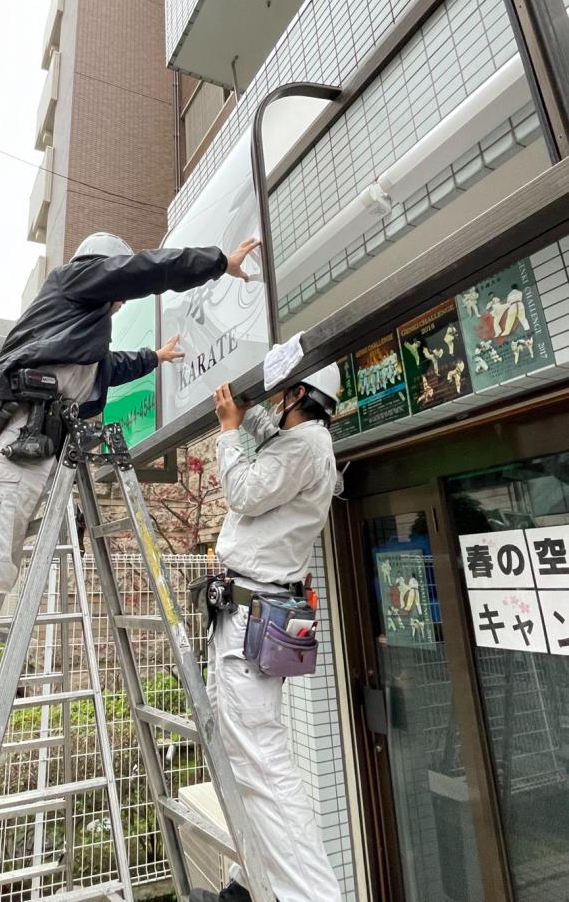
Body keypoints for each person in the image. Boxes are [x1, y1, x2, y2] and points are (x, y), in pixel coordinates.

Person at [0, 231, 260, 781]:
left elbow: (108, 367)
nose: (119, 301)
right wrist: (218, 262)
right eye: (116, 285)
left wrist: (155, 356)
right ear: (101, 268)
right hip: (7, 456)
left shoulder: (73, 338)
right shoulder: (73, 283)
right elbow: (142, 271)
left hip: (15, 461)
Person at [191, 365, 343, 902]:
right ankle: (250, 883)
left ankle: (311, 895)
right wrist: (245, 413)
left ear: (299, 394)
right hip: (249, 613)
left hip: (252, 614)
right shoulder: (301, 443)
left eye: (282, 392)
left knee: (261, 758)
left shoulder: (304, 447)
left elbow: (243, 492)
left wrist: (228, 432)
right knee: (242, 754)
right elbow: (266, 441)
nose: (275, 403)